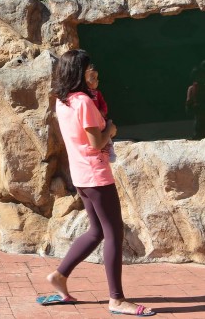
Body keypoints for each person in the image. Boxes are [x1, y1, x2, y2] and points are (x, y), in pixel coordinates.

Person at [40, 50, 156, 316]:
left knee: (96, 231)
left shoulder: (64, 100)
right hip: (95, 174)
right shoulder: (82, 102)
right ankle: (116, 299)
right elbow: (96, 142)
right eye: (89, 68)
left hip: (81, 175)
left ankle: (60, 276)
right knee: (113, 233)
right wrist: (111, 130)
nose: (94, 71)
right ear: (80, 72)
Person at [85, 63, 116, 162]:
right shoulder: (83, 94)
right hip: (91, 120)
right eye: (93, 77)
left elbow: (103, 104)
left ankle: (110, 150)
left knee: (106, 133)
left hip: (100, 118)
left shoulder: (97, 93)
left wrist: (103, 111)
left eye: (97, 78)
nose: (97, 80)